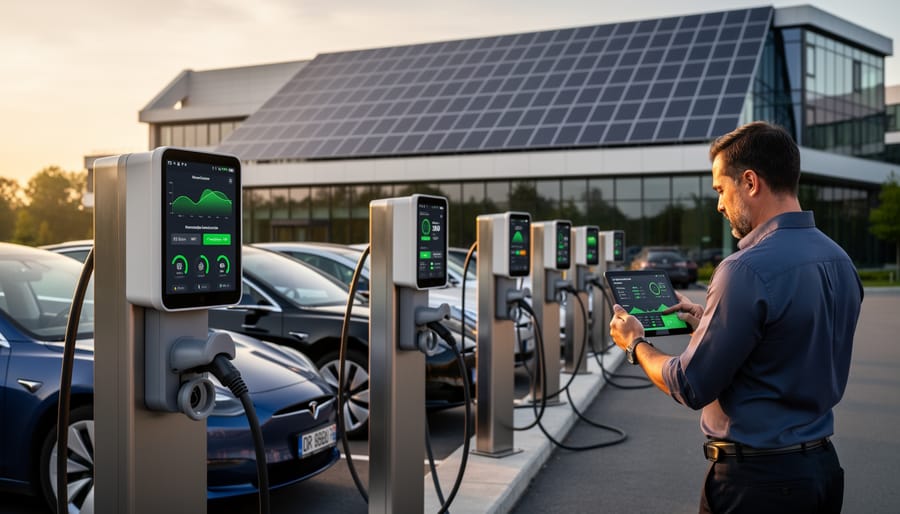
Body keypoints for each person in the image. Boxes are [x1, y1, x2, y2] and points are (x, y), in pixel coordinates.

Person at [608, 121, 863, 513]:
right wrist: (709, 324)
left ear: (750, 182)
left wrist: (635, 343)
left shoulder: (744, 270)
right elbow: (787, 345)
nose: (719, 205)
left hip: (757, 485)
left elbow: (689, 384)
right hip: (823, 472)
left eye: (720, 190)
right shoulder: (840, 261)